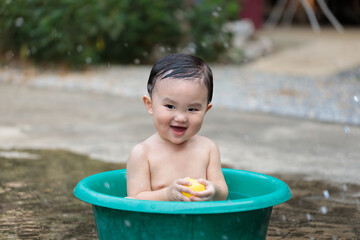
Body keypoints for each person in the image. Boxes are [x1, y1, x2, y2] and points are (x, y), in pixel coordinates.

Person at [126, 54, 228, 201]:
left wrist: (214, 192)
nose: (181, 118)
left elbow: (223, 192)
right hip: (159, 222)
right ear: (150, 105)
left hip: (200, 222)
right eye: (170, 106)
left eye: (192, 109)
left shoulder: (208, 149)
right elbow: (134, 199)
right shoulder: (142, 153)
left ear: (206, 110)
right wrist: (167, 195)